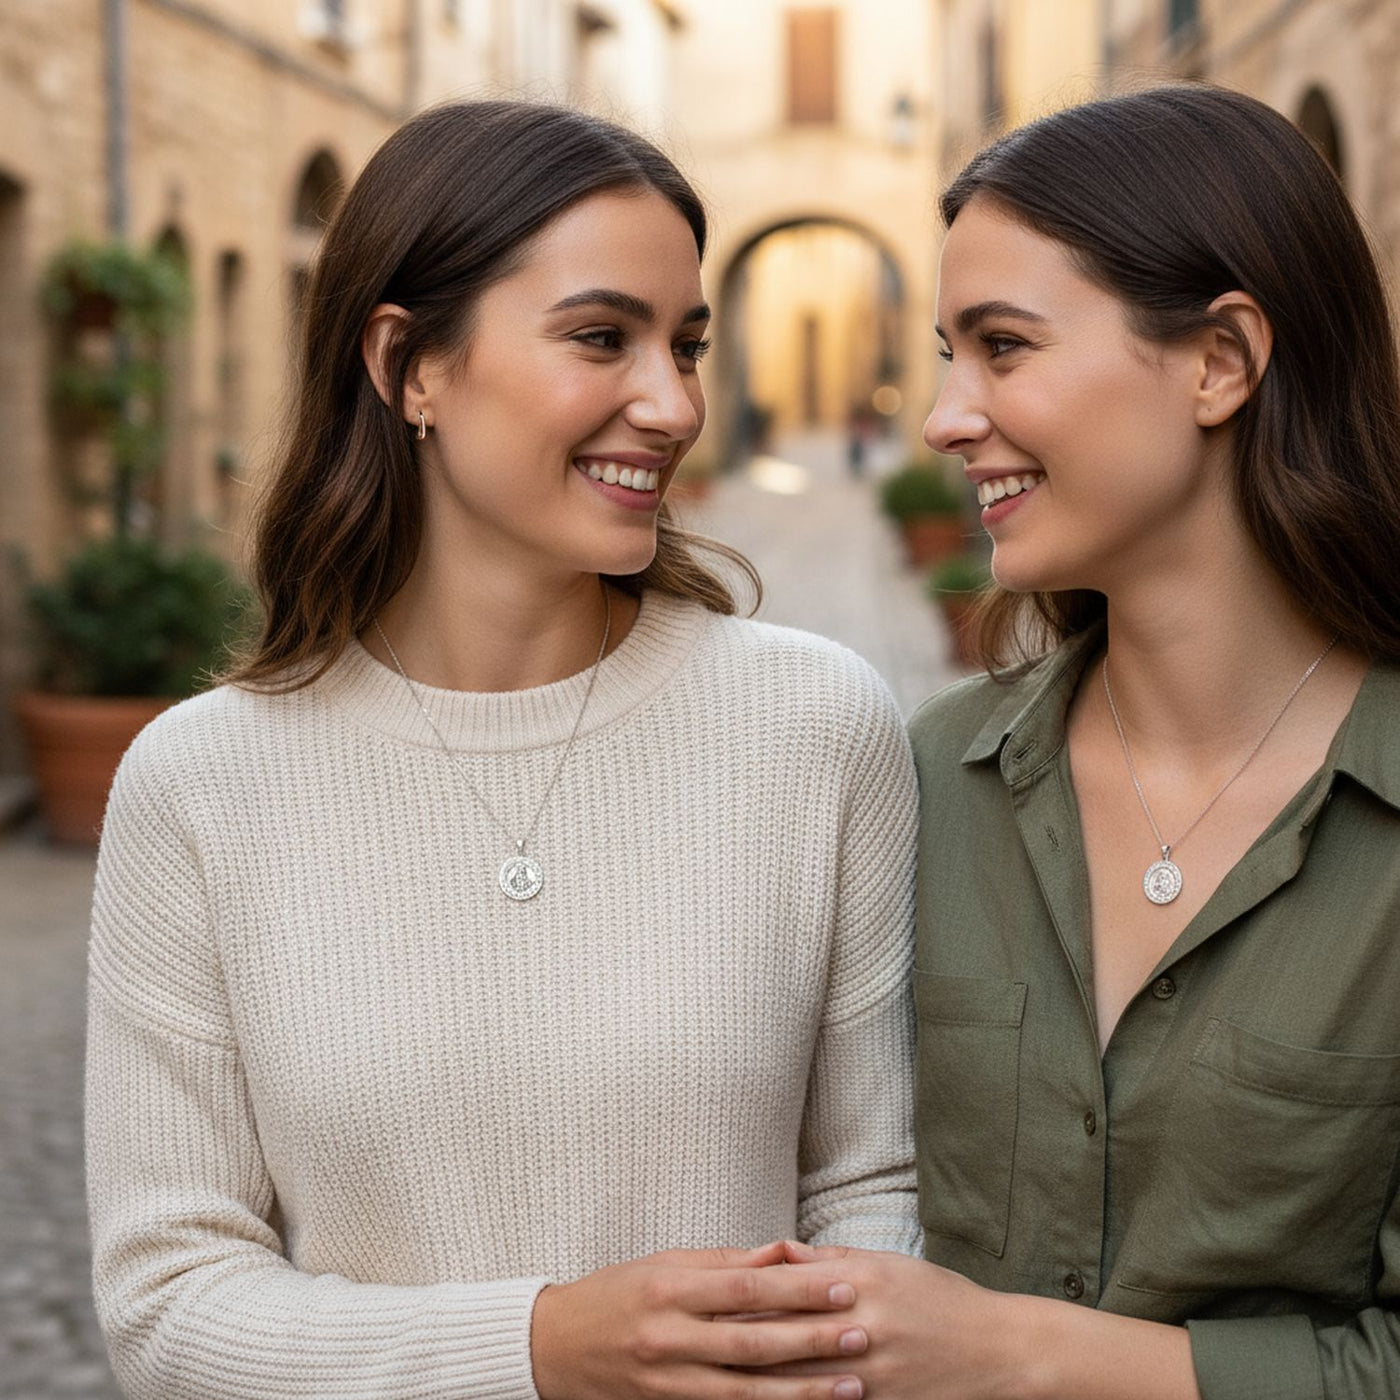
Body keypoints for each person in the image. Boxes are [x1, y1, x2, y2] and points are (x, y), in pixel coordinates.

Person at [84, 100, 919, 1400]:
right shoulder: (198, 785)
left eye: (688, 345)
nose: (673, 403)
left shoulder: (816, 726)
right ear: (408, 365)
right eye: (601, 337)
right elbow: (168, 1303)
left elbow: (874, 1189)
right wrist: (539, 1348)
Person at [754, 83, 1400, 1399]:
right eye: (949, 354)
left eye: (1005, 347)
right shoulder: (924, 780)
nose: (945, 417)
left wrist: (1013, 1353)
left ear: (1220, 361)